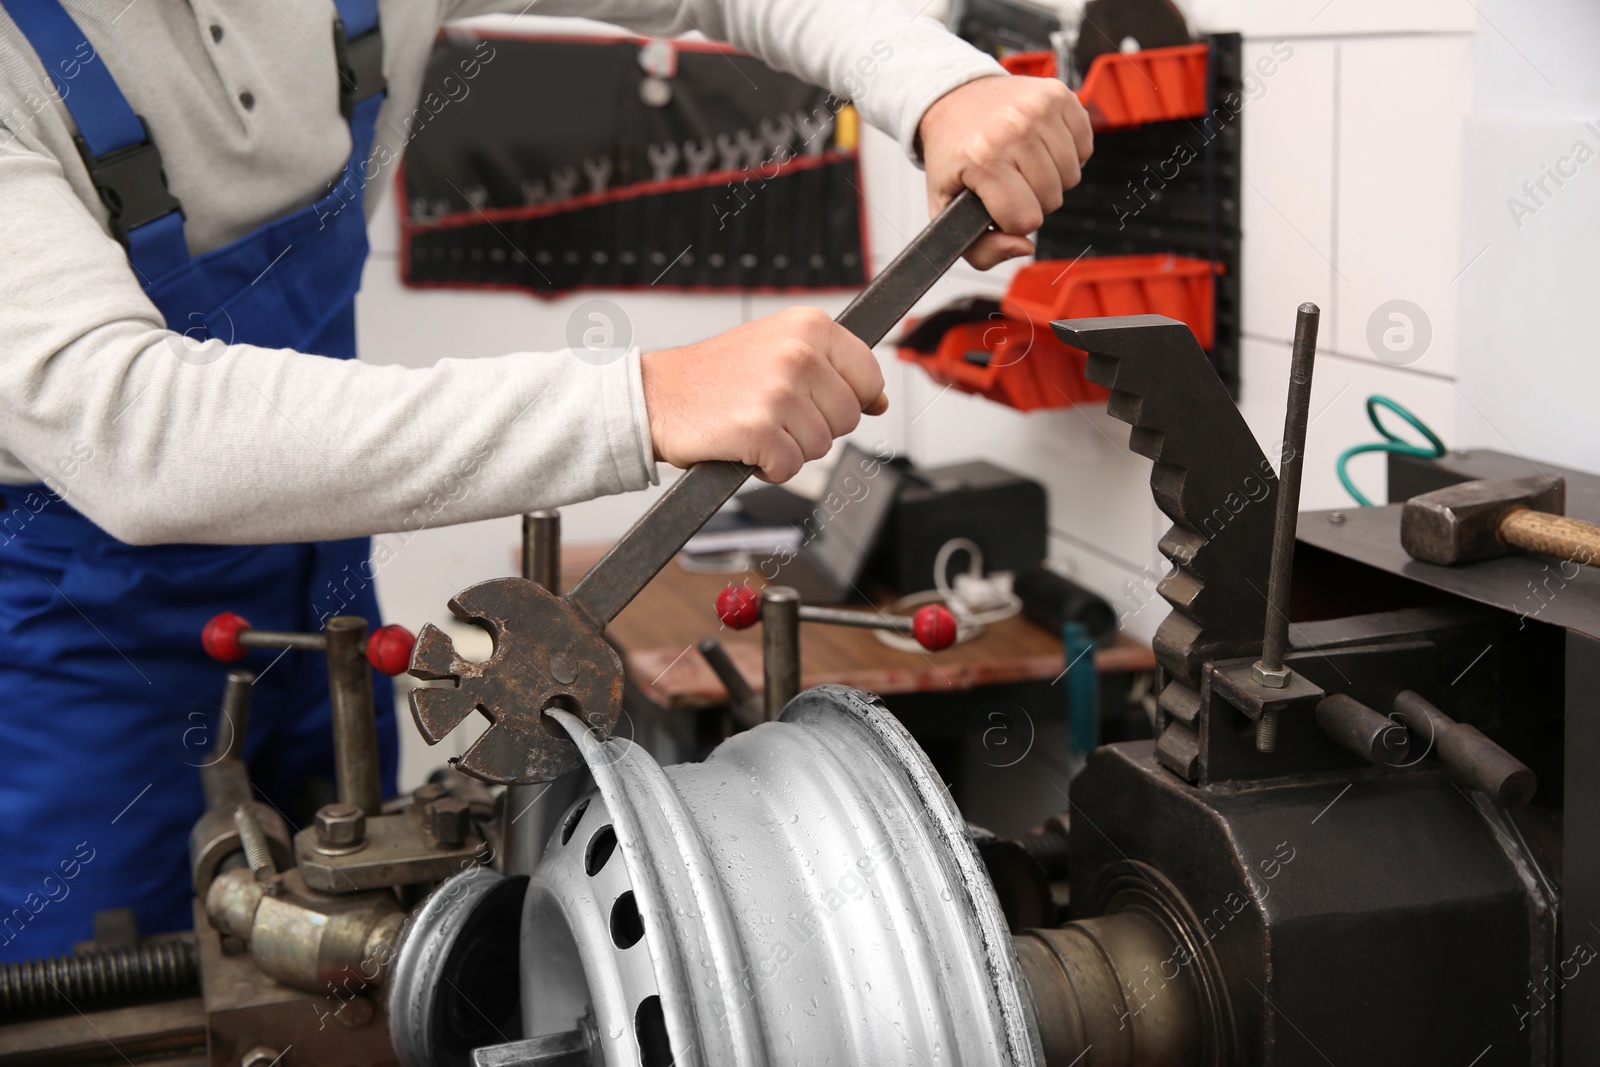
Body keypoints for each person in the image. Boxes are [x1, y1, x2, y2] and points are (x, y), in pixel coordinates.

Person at [0, 0, 1091, 961]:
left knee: (358, 942)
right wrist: (641, 399)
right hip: (81, 642)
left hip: (316, 569)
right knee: (122, 993)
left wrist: (935, 79)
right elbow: (133, 435)